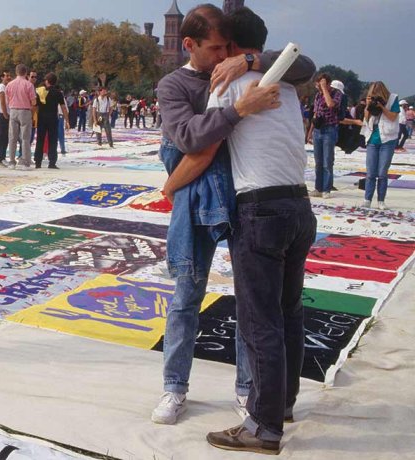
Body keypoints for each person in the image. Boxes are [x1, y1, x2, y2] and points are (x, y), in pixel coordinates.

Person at [153, 3, 315, 427]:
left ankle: (248, 390)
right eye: (216, 48)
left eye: (229, 47)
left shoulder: (240, 71)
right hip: (197, 199)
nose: (223, 55)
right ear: (188, 44)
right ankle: (175, 386)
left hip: (242, 197)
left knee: (251, 304)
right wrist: (241, 108)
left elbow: (304, 65)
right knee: (186, 298)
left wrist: (249, 61)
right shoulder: (174, 84)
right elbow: (190, 140)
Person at [202, 9, 316, 454]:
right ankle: (281, 404)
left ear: (230, 46)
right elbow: (305, 65)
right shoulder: (285, 83)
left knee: (259, 321)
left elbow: (203, 142)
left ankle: (263, 427)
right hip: (298, 206)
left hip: (260, 209)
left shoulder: (228, 84)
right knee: (289, 313)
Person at [361, 81, 401, 210]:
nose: (374, 97)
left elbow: (393, 117)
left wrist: (382, 107)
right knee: (370, 173)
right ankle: (367, 199)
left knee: (382, 173)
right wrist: (368, 106)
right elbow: (366, 119)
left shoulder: (393, 99)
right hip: (372, 139)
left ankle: (381, 201)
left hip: (388, 139)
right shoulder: (370, 101)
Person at [308, 72, 343, 198]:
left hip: (330, 129)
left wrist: (324, 89)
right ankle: (318, 188)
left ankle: (326, 189)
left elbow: (330, 104)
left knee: (327, 161)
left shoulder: (336, 93)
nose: (318, 87)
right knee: (318, 161)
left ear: (328, 84)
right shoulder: (318, 95)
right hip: (318, 130)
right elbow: (315, 114)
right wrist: (310, 132)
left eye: (321, 84)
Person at [34, 72, 69, 169]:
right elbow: (63, 107)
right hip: (53, 118)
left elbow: (35, 106)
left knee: (40, 140)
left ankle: (38, 162)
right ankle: (52, 162)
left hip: (41, 118)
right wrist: (67, 120)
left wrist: (33, 117)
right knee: (53, 140)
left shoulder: (40, 92)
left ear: (47, 81)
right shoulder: (58, 93)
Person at [6, 64, 36, 169]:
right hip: (25, 111)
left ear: (16, 72)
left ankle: (11, 161)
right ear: (26, 73)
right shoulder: (29, 85)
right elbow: (34, 101)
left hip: (13, 110)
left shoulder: (10, 84)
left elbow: (7, 99)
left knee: (12, 137)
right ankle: (25, 162)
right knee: (25, 138)